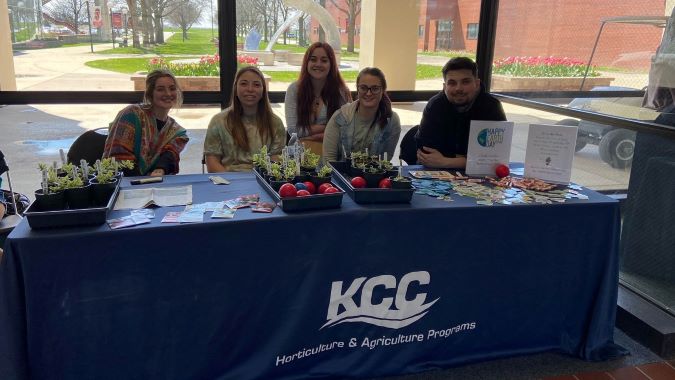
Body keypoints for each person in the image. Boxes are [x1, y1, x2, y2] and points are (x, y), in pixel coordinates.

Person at [416, 57, 506, 168]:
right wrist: (468, 159)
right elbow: (427, 154)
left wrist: (445, 161)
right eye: (452, 83)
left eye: (465, 82)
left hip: (479, 175)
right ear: (444, 87)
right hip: (436, 174)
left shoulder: (491, 107)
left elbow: (494, 159)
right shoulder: (435, 105)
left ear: (477, 84)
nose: (459, 88)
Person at [103, 69, 189, 176]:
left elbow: (170, 155)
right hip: (122, 182)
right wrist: (142, 182)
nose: (168, 93)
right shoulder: (131, 114)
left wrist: (160, 169)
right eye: (160, 89)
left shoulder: (177, 132)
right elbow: (119, 156)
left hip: (154, 185)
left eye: (172, 88)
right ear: (150, 93)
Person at [204, 66, 286, 172]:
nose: (250, 89)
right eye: (244, 84)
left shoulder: (275, 123)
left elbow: (276, 161)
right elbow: (212, 162)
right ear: (235, 89)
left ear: (263, 91)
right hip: (228, 182)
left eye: (256, 85)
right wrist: (231, 184)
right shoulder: (218, 122)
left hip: (262, 181)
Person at [323, 67, 401, 161]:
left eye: (375, 88)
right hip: (337, 174)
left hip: (373, 175)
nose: (368, 93)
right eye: (363, 88)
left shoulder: (392, 121)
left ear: (383, 90)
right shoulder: (340, 117)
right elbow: (329, 161)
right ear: (357, 89)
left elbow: (384, 162)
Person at [284, 42, 352, 142]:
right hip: (300, 153)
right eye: (313, 59)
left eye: (324, 60)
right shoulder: (294, 90)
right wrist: (327, 127)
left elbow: (346, 129)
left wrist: (311, 137)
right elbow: (293, 130)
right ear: (307, 63)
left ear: (331, 64)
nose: (318, 64)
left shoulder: (341, 92)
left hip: (332, 152)